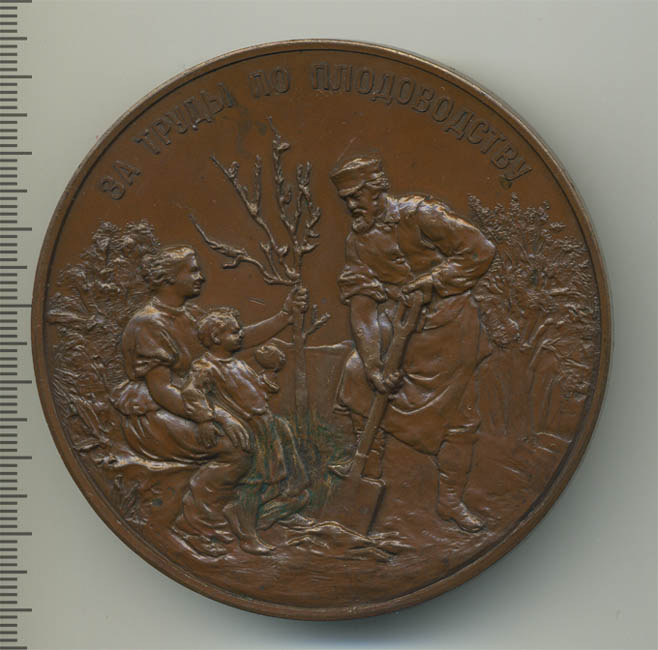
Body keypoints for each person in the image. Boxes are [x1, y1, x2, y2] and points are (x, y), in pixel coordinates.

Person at [330, 156, 495, 533]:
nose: (351, 205)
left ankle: (451, 502)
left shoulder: (422, 215)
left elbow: (480, 250)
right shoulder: (357, 242)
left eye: (356, 196)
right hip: (400, 327)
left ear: (376, 190)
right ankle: (364, 471)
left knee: (459, 420)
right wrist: (373, 364)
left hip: (451, 331)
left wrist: (434, 281)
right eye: (346, 200)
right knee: (357, 376)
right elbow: (361, 305)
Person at [113, 245, 307, 556]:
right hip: (155, 414)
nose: (201, 277)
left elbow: (231, 341)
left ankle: (267, 509)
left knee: (271, 429)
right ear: (168, 278)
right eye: (192, 270)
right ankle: (196, 523)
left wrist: (284, 317)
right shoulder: (148, 324)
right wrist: (217, 416)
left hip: (193, 403)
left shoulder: (187, 315)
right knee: (238, 448)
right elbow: (162, 391)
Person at [180, 307, 310, 555]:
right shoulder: (206, 367)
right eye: (234, 331)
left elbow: (251, 389)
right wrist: (206, 419)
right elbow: (192, 392)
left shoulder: (238, 363)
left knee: (281, 475)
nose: (241, 334)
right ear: (216, 337)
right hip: (250, 429)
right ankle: (247, 534)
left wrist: (266, 378)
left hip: (266, 423)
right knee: (254, 483)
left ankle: (275, 512)